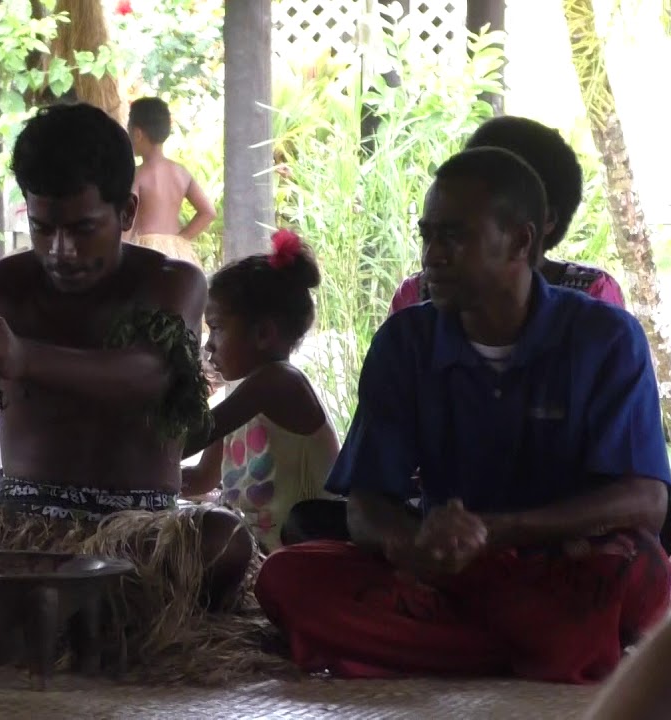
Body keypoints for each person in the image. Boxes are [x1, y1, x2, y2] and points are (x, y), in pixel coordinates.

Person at [254, 147, 670, 685]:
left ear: (521, 241)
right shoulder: (405, 342)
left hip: (563, 565)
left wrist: (500, 531)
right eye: (427, 236)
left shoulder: (605, 338)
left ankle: (448, 647)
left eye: (454, 237)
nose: (432, 256)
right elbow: (365, 506)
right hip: (450, 573)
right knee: (288, 578)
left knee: (639, 573)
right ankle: (537, 652)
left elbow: (649, 501)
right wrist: (411, 544)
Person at [0, 103, 275, 680]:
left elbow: (152, 374)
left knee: (222, 540)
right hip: (25, 533)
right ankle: (73, 623)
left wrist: (27, 358)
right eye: (43, 228)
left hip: (145, 529)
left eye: (82, 229)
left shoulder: (172, 283)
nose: (60, 251)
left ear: (126, 211)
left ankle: (107, 623)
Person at [180, 230, 340, 553]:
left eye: (218, 328)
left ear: (264, 333)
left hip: (304, 563)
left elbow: (190, 438)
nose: (208, 345)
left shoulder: (280, 383)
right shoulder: (242, 397)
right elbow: (202, 478)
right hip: (259, 563)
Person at [390, 115, 624, 313]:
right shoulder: (415, 302)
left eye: (457, 234)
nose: (432, 256)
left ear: (544, 221)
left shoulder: (593, 306)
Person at [125, 97, 216, 269]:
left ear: (137, 133)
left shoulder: (137, 175)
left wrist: (121, 253)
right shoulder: (181, 172)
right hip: (177, 255)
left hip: (146, 252)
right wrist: (181, 239)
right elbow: (208, 212)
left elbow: (128, 217)